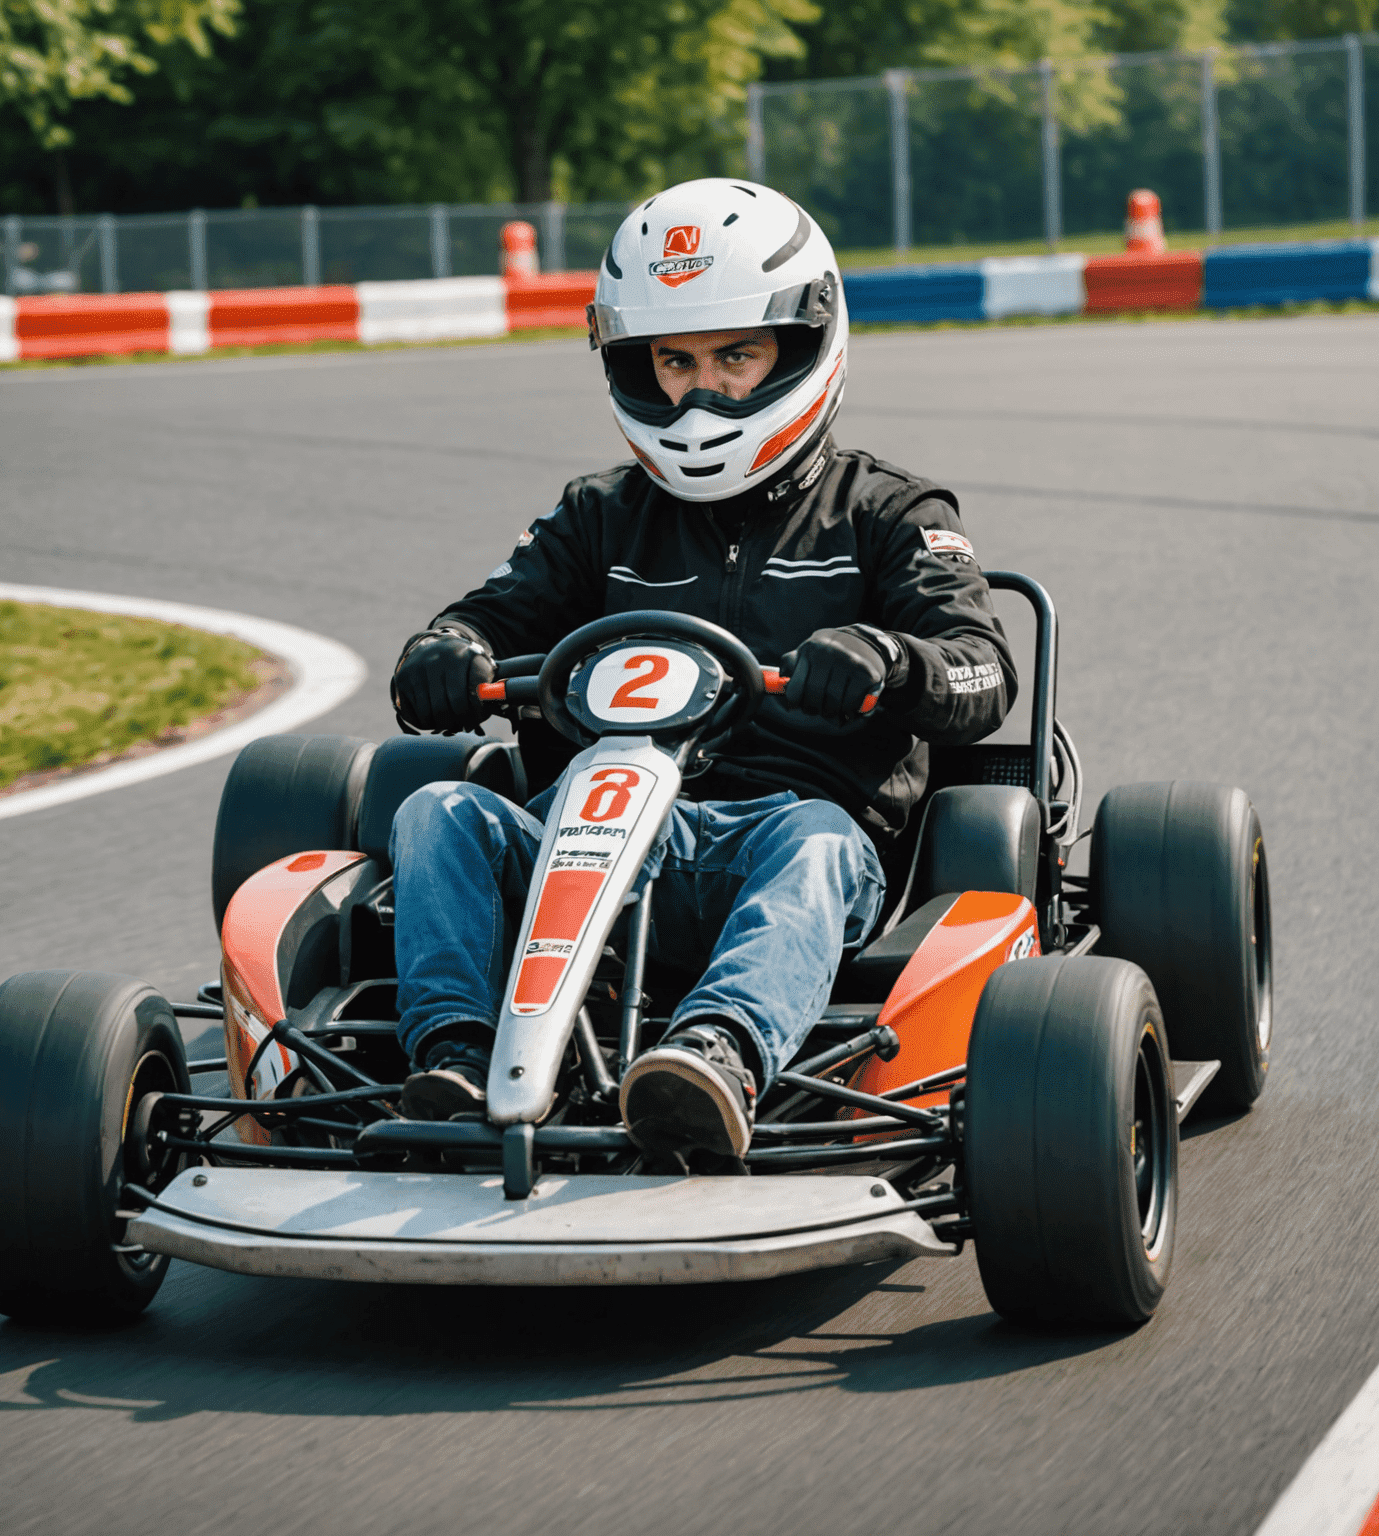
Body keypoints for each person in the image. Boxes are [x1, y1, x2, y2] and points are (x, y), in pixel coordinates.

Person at [388, 178, 1016, 1161]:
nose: (702, 391)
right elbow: (485, 618)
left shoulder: (886, 513)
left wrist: (887, 661)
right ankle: (459, 1054)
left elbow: (981, 669)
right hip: (593, 834)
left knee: (813, 838)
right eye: (675, 362)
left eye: (736, 355)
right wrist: (447, 652)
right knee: (436, 813)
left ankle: (716, 1055)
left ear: (803, 346)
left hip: (785, 840)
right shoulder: (599, 515)